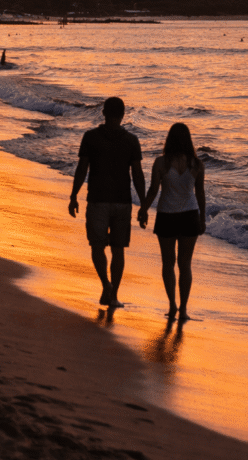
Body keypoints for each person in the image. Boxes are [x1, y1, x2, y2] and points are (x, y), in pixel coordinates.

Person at [69, 97, 145, 308]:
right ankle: (113, 295)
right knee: (118, 249)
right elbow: (138, 175)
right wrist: (144, 204)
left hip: (97, 200)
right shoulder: (131, 140)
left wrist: (73, 195)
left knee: (97, 246)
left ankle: (106, 285)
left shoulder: (91, 137)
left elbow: (82, 169)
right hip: (122, 202)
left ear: (103, 113)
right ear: (123, 115)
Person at [138, 122, 206, 322]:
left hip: (167, 216)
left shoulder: (161, 162)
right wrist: (202, 218)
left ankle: (172, 305)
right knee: (185, 265)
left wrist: (143, 209)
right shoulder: (197, 164)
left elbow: (153, 190)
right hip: (190, 216)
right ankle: (183, 309)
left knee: (168, 263)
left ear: (169, 139)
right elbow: (200, 194)